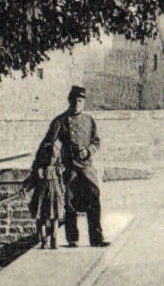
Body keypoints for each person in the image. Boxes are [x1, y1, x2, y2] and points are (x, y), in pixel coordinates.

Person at [31, 85, 108, 248]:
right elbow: (47, 144)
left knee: (94, 197)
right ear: (69, 101)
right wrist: (39, 166)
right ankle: (72, 239)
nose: (76, 104)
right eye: (74, 101)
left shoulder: (89, 120)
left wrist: (87, 151)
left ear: (84, 102)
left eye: (80, 101)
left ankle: (97, 238)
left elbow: (96, 141)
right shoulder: (60, 121)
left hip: (87, 167)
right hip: (69, 168)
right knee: (69, 201)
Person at [23, 127, 64, 250]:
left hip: (48, 189)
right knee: (48, 215)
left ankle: (49, 240)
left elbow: (34, 175)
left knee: (47, 215)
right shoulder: (54, 154)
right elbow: (35, 176)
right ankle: (49, 240)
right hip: (48, 189)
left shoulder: (51, 158)